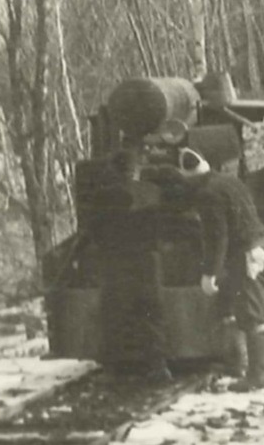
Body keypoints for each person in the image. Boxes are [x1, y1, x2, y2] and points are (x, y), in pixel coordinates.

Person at [180, 147, 264, 391]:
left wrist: (210, 273)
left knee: (251, 314)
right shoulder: (229, 180)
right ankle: (243, 366)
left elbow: (218, 237)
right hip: (257, 245)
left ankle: (257, 378)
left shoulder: (207, 194)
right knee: (241, 308)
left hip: (246, 253)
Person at [97, 149, 172, 383]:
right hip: (148, 262)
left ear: (115, 170)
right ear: (136, 169)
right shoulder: (154, 192)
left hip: (117, 262)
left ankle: (112, 370)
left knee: (115, 314)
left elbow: (94, 231)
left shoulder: (104, 195)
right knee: (152, 313)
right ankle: (158, 367)